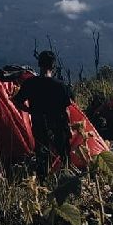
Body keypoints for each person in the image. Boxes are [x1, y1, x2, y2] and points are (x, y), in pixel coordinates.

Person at [12, 50, 72, 180]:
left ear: (39, 64)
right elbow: (67, 109)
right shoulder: (60, 86)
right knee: (63, 154)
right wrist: (70, 127)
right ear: (53, 66)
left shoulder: (30, 83)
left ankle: (42, 181)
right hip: (59, 125)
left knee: (42, 153)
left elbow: (16, 101)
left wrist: (29, 111)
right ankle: (65, 179)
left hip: (39, 124)